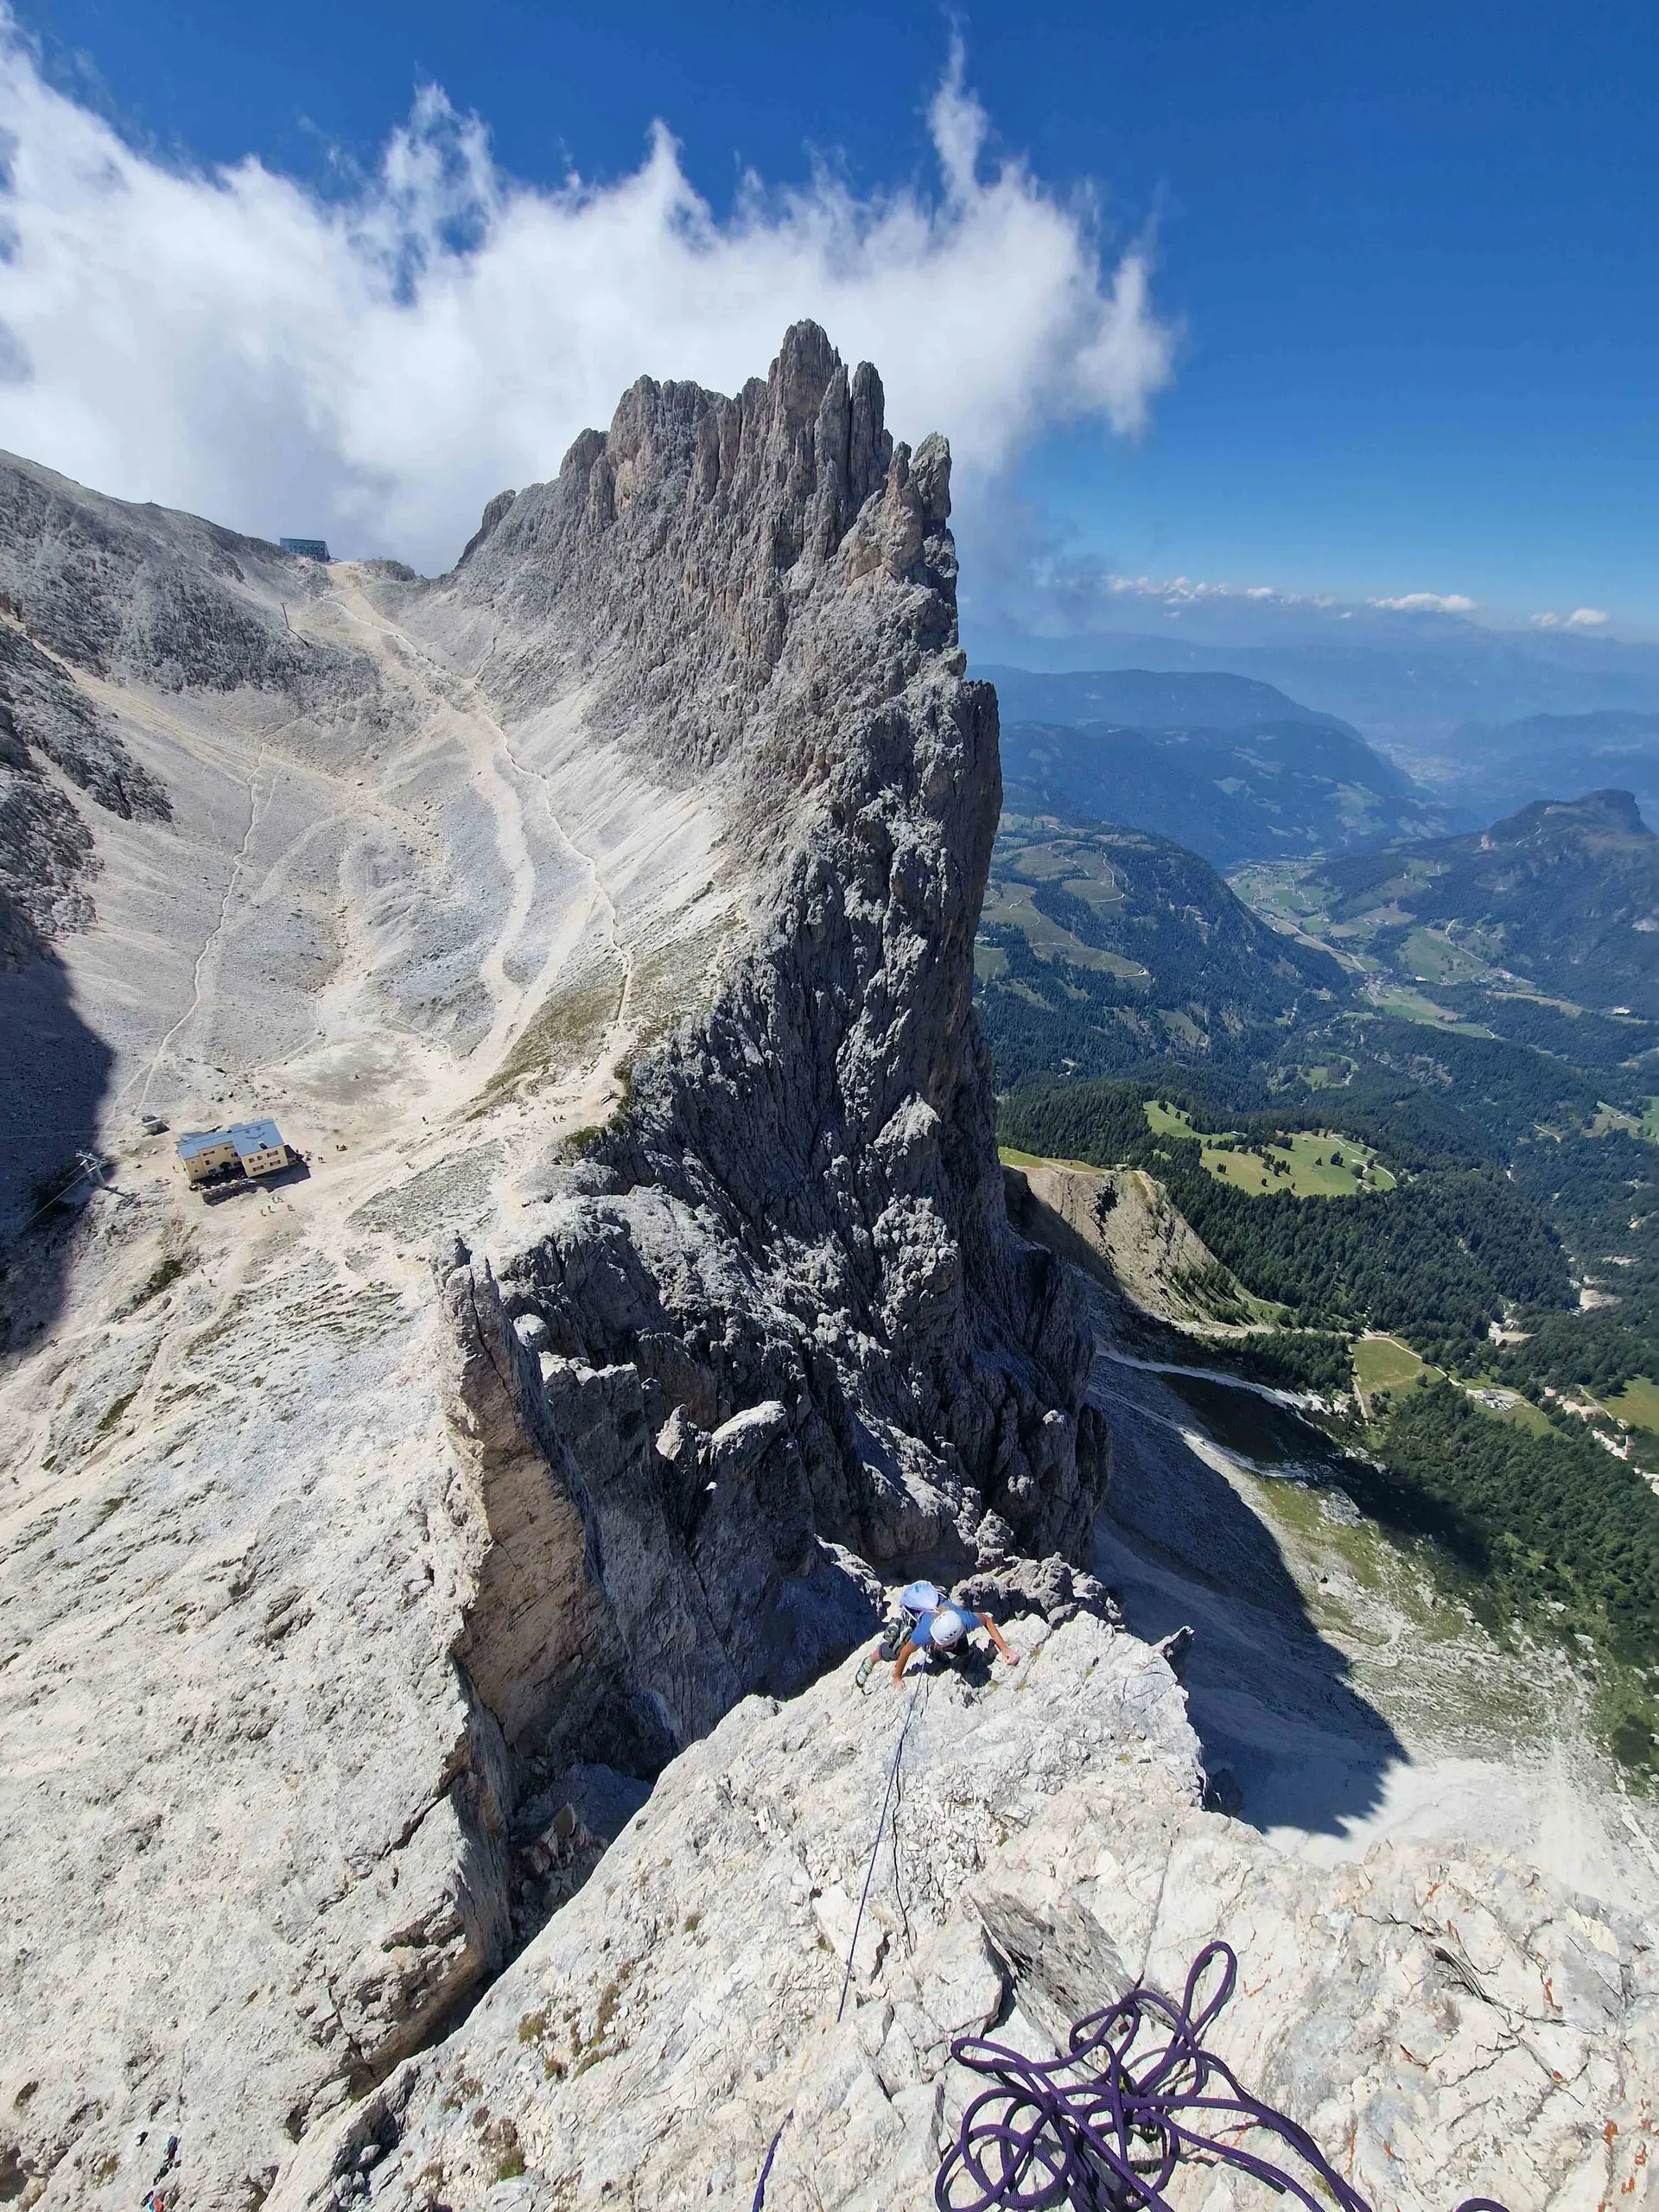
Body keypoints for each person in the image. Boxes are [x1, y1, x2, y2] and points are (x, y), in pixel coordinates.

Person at [866, 1580, 1019, 1687]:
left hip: (930, 1595)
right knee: (896, 1650)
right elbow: (906, 1652)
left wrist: (1005, 1649)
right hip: (912, 1603)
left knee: (961, 1651)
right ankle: (872, 1658)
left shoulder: (963, 1620)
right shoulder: (923, 1634)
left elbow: (986, 1620)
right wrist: (897, 1677)